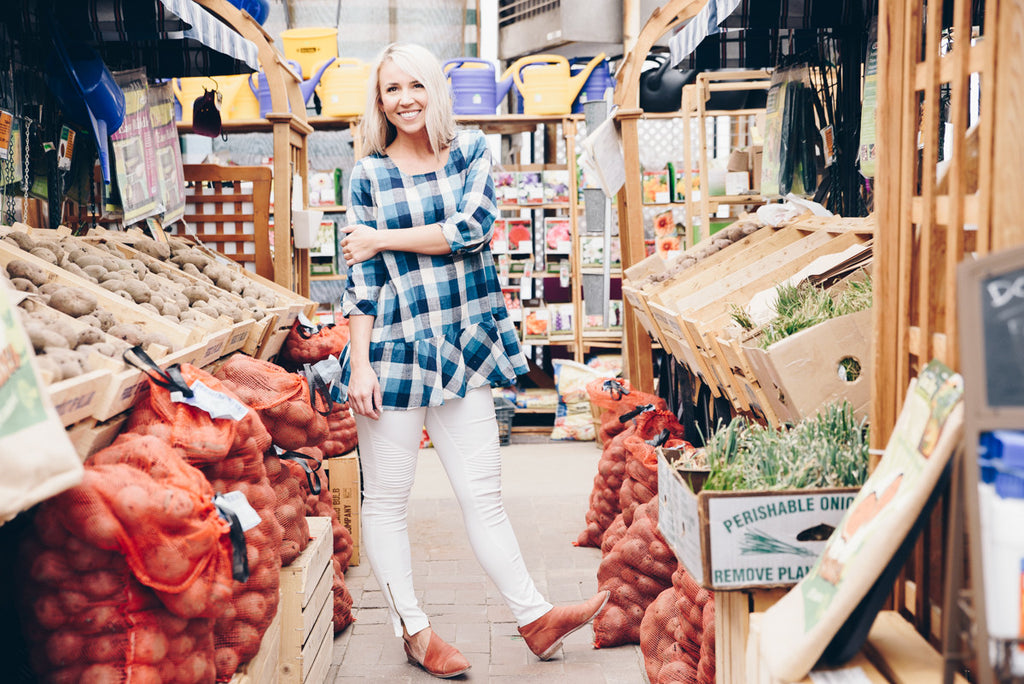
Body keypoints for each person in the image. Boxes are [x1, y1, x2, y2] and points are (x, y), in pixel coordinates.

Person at [339, 42, 609, 678]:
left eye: (415, 86)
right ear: (378, 102)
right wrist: (358, 364)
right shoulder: (368, 174)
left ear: (435, 89)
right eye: (390, 90)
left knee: (483, 492)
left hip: (465, 344)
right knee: (386, 498)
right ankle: (414, 627)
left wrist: (382, 237)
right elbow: (361, 281)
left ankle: (534, 617)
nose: (404, 99)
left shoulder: (470, 152)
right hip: (395, 347)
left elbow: (473, 228)